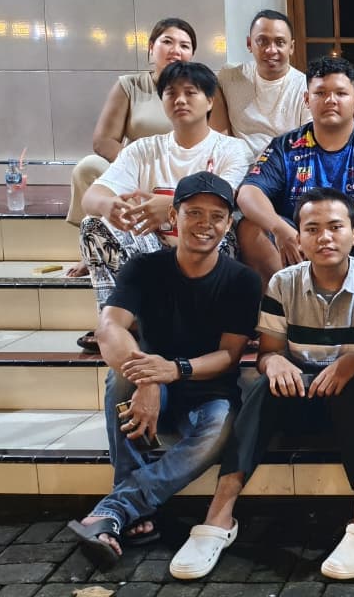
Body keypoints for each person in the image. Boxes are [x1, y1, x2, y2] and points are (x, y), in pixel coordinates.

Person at [168, 188, 354, 581]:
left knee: (352, 386)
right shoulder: (283, 283)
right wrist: (274, 363)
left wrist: (351, 362)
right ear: (298, 237)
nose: (324, 238)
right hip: (299, 399)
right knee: (261, 387)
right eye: (312, 229)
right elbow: (268, 352)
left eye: (335, 227)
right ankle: (220, 513)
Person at [65, 172, 262, 570]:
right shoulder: (145, 267)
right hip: (152, 388)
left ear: (228, 224)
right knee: (121, 375)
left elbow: (228, 356)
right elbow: (110, 328)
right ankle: (131, 508)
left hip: (209, 390)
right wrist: (149, 378)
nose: (205, 224)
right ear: (174, 217)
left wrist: (172, 370)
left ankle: (116, 511)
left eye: (217, 216)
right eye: (194, 213)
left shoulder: (242, 280)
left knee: (218, 432)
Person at [78, 62, 252, 315]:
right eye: (171, 93)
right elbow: (92, 197)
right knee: (92, 223)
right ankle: (117, 316)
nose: (180, 100)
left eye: (190, 93)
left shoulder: (232, 149)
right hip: (154, 251)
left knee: (218, 228)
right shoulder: (143, 149)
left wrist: (172, 207)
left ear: (210, 101)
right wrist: (109, 205)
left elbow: (223, 200)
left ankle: (200, 313)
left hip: (208, 246)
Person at [238, 56, 354, 280]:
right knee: (250, 228)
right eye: (320, 93)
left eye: (341, 93)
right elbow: (248, 192)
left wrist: (339, 227)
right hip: (296, 242)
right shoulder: (285, 146)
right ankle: (283, 299)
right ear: (307, 99)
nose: (330, 100)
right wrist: (280, 229)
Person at [67, 18, 194, 229]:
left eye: (184, 46)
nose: (175, 50)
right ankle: (95, 239)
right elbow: (104, 140)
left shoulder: (203, 90)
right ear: (151, 47)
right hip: (134, 171)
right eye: (167, 42)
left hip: (183, 172)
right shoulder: (130, 85)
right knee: (88, 167)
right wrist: (136, 166)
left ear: (191, 55)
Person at [211, 10, 311, 157]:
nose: (271, 50)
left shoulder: (305, 87)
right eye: (262, 41)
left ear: (291, 47)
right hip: (238, 165)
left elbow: (308, 144)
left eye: (280, 42)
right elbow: (218, 135)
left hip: (284, 165)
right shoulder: (229, 77)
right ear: (249, 44)